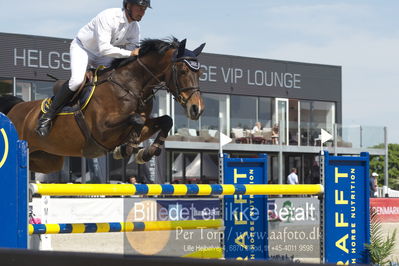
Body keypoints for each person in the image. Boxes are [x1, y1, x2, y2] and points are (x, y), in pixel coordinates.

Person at [36, 0, 151, 136]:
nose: (142, 12)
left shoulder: (135, 28)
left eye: (144, 9)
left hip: (103, 56)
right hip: (83, 49)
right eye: (139, 8)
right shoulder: (109, 16)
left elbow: (132, 55)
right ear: (128, 6)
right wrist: (130, 53)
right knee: (77, 81)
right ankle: (47, 116)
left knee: (116, 79)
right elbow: (105, 48)